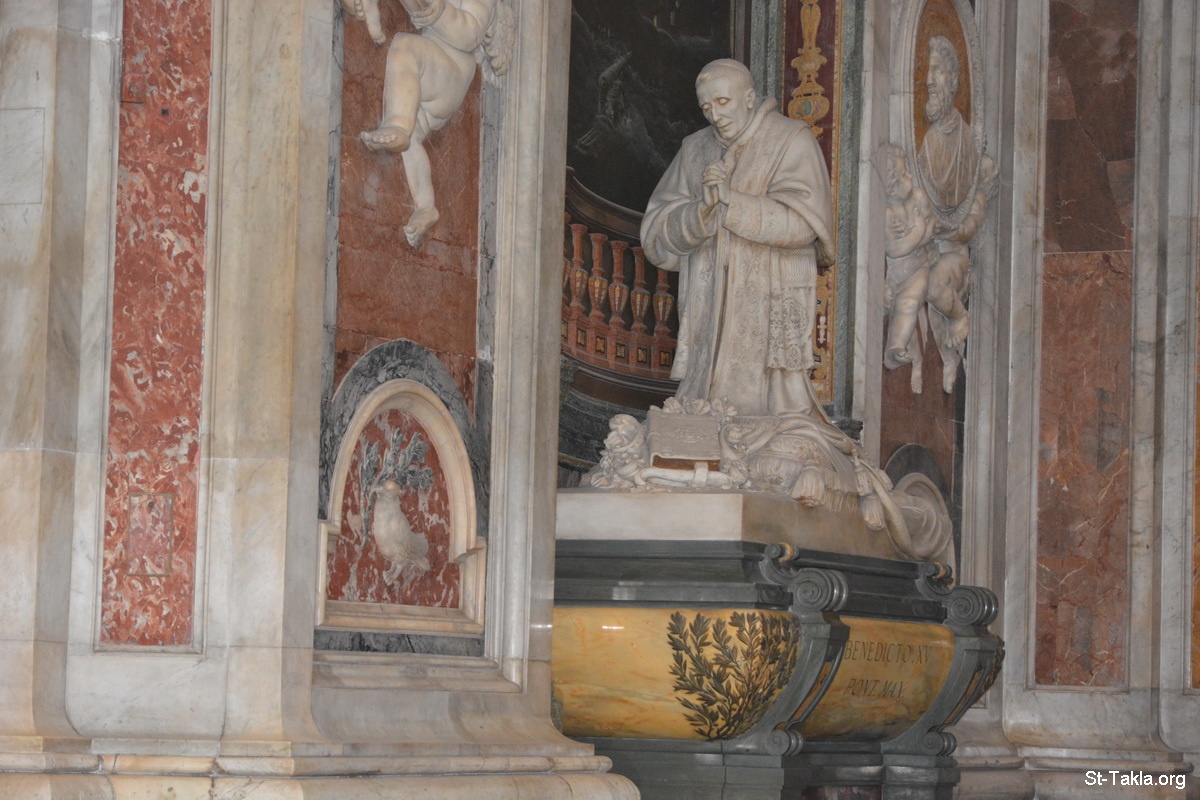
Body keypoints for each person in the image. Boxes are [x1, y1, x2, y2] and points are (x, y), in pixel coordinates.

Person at [640, 59, 835, 417]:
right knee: (694, 421)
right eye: (706, 107)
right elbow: (656, 233)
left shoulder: (790, 139)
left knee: (775, 424)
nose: (714, 115)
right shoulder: (694, 149)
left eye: (723, 102)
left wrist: (730, 204)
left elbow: (805, 225)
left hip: (767, 309)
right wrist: (701, 213)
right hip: (707, 311)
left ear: (748, 97)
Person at [344, 0, 511, 246]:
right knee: (413, 138)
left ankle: (398, 123)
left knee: (406, 46)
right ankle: (425, 205)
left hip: (451, 72)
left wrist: (441, 12)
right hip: (430, 69)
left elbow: (471, 35)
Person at [916, 35, 979, 213]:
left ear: (952, 79)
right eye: (928, 71)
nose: (929, 81)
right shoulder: (927, 141)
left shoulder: (967, 139)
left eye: (937, 70)